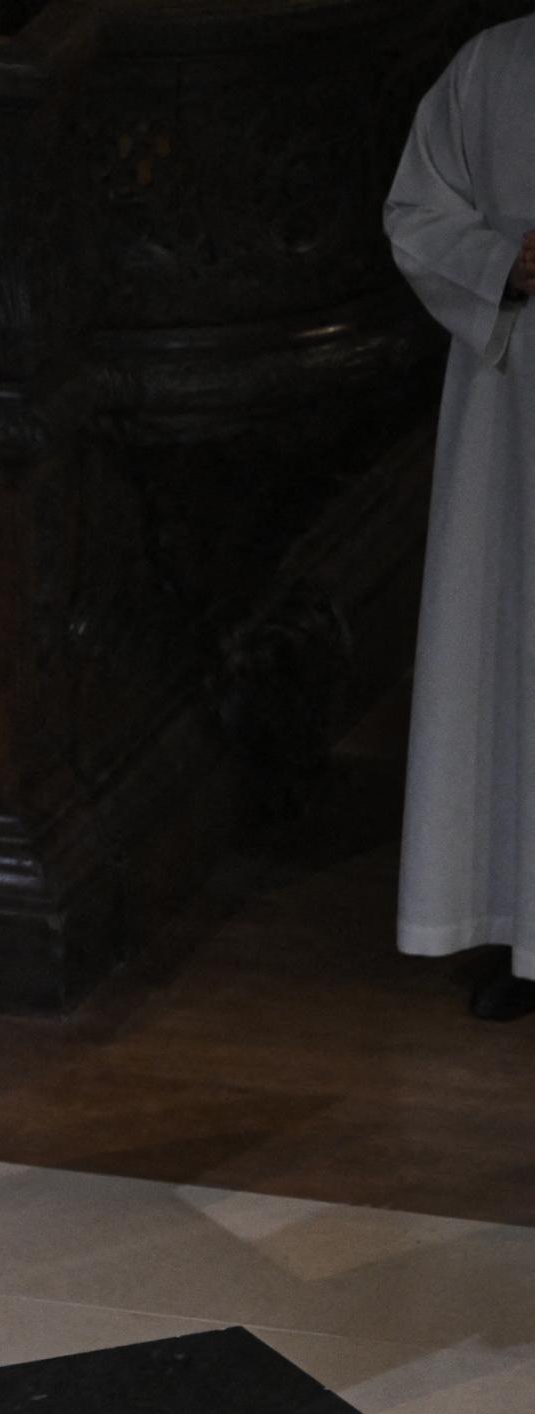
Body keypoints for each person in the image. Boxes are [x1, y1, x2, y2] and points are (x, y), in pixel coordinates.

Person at [389, 13, 535, 1022]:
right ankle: (518, 932)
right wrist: (504, 264)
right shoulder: (496, 64)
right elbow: (417, 210)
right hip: (510, 399)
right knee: (509, 661)